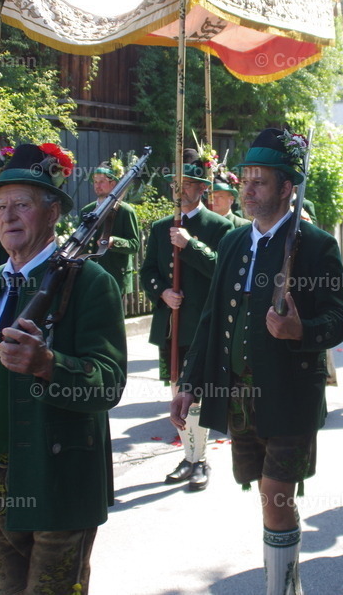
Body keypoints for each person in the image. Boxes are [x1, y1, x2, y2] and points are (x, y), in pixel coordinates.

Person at [0, 143, 125, 595]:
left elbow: (108, 384)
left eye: (22, 205)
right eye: (0, 207)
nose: (8, 216)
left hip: (61, 483)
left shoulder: (93, 282)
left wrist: (48, 365)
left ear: (52, 212)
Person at [171, 128, 343, 594]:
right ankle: (285, 580)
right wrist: (188, 383)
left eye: (259, 182)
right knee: (264, 494)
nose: (247, 190)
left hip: (290, 397)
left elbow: (339, 322)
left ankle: (282, 589)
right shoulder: (232, 243)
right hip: (237, 394)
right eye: (245, 180)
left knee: (276, 494)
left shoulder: (314, 244)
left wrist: (300, 330)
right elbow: (210, 319)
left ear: (287, 188)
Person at [142, 148, 232, 492]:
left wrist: (190, 244)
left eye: (187, 184)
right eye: (175, 184)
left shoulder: (219, 226)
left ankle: (199, 459)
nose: (179, 190)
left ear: (201, 189)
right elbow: (149, 270)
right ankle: (189, 456)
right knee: (178, 388)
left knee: (197, 391)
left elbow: (222, 270)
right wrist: (162, 292)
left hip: (201, 323)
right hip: (171, 322)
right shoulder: (161, 226)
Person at [80, 159, 141, 296]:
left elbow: (134, 245)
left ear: (113, 183)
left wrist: (113, 241)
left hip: (115, 277)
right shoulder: (87, 210)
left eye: (101, 181)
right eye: (95, 182)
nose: (97, 185)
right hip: (90, 275)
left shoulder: (125, 211)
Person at [210, 163, 251, 228]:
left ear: (231, 199)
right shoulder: (206, 224)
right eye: (213, 196)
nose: (215, 200)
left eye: (220, 196)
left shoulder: (243, 225)